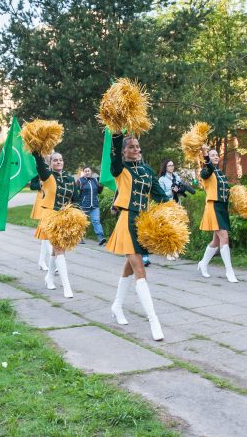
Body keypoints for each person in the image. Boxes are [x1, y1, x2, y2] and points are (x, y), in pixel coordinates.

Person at [105, 133, 170, 340]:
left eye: (138, 146)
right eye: (131, 147)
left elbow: (160, 196)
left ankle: (116, 305)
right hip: (127, 219)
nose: (136, 150)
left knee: (130, 266)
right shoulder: (120, 169)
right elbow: (113, 158)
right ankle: (154, 321)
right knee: (139, 269)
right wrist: (116, 134)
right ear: (124, 151)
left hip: (143, 222)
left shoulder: (148, 170)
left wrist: (172, 211)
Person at [33, 150, 80, 298]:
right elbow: (40, 165)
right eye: (55, 160)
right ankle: (67, 287)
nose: (58, 162)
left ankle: (49, 278)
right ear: (50, 163)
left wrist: (75, 215)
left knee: (57, 250)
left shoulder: (70, 179)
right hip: (50, 216)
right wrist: (36, 150)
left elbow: (76, 199)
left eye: (60, 160)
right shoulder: (47, 176)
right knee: (59, 249)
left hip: (65, 217)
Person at [196, 147, 238, 282]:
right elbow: (208, 170)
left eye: (216, 155)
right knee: (224, 236)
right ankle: (229, 271)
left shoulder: (220, 172)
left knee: (216, 240)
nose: (215, 157)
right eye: (212, 155)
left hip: (222, 207)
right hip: (213, 206)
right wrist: (204, 155)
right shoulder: (206, 171)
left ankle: (203, 264)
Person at [77, 166, 105, 245]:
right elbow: (75, 192)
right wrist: (76, 203)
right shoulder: (80, 181)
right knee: (82, 222)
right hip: (84, 205)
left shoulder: (95, 180)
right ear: (83, 172)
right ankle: (80, 238)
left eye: (88, 171)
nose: (87, 172)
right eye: (85, 171)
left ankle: (101, 238)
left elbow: (99, 192)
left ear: (91, 172)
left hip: (95, 205)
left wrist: (101, 186)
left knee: (96, 221)